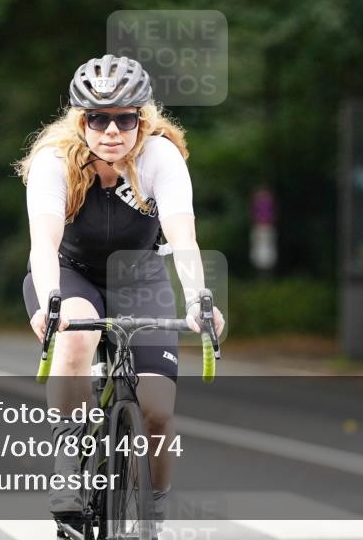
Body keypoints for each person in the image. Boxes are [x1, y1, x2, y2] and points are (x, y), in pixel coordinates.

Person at [16, 54, 226, 523]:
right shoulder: (56, 161)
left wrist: (197, 298)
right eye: (99, 119)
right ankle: (70, 461)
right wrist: (51, 303)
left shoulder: (159, 156)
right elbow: (43, 244)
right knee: (75, 340)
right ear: (81, 121)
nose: (112, 131)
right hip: (72, 274)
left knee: (157, 413)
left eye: (124, 119)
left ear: (141, 119)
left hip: (140, 277)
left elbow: (183, 238)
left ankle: (153, 507)